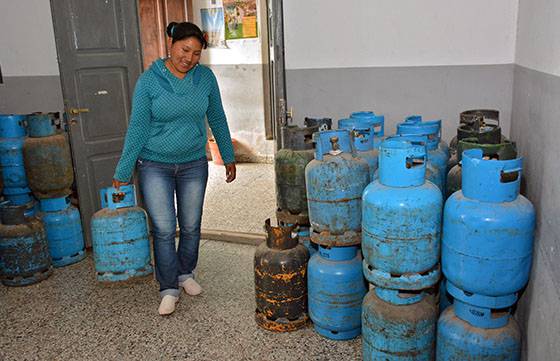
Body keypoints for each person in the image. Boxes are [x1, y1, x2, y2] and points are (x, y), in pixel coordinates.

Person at [112, 21, 236, 316]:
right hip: (154, 164)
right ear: (171, 45)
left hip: (194, 162)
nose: (189, 58)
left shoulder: (205, 78)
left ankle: (185, 274)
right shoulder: (149, 81)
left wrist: (228, 156)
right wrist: (123, 171)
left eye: (196, 53)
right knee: (165, 229)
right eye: (185, 50)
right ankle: (168, 287)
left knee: (191, 224)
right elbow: (138, 128)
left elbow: (217, 118)